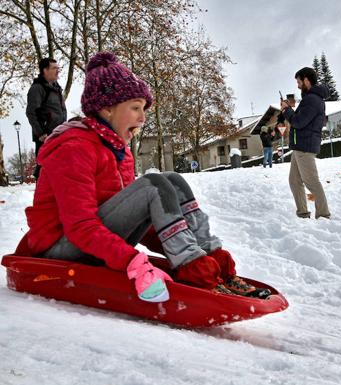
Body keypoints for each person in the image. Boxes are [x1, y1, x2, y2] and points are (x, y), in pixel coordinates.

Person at [24, 52, 269, 303]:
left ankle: (207, 261)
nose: (142, 118)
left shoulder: (120, 152)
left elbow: (143, 218)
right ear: (107, 109)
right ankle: (194, 268)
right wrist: (132, 262)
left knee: (173, 181)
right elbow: (80, 227)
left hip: (92, 243)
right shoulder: (75, 148)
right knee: (154, 184)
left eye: (144, 109)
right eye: (135, 108)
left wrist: (184, 250)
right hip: (61, 250)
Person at [280, 67, 331, 219]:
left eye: (299, 81)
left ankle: (323, 214)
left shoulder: (312, 99)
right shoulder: (310, 98)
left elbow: (299, 121)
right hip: (300, 145)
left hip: (305, 146)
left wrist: (287, 110)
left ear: (307, 80)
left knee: (311, 181)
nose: (297, 85)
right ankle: (302, 213)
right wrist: (288, 110)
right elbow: (301, 120)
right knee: (294, 181)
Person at [26, 58, 67, 180]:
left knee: (58, 168)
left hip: (59, 134)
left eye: (58, 68)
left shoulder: (56, 87)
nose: (57, 71)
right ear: (45, 70)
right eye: (54, 68)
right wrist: (41, 133)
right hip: (45, 136)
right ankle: (40, 196)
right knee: (43, 169)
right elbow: (31, 112)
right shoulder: (37, 88)